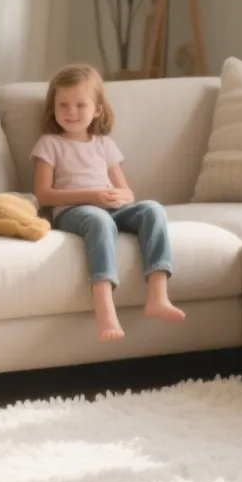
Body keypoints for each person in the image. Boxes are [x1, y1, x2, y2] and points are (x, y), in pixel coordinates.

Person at [31, 63, 185, 341]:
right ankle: (105, 310)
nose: (71, 112)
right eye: (63, 105)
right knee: (100, 220)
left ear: (98, 109)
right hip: (74, 211)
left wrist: (120, 196)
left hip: (110, 206)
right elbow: (44, 195)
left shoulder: (104, 144)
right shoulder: (50, 144)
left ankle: (158, 295)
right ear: (52, 108)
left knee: (153, 209)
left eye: (80, 105)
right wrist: (91, 196)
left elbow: (126, 191)